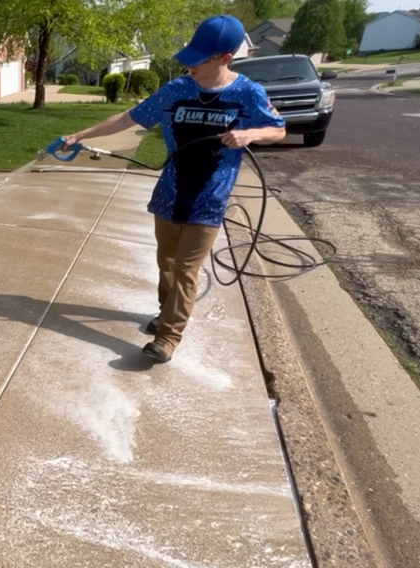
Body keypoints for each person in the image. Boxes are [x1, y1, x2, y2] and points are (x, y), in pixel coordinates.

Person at [62, 15, 286, 363]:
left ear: (224, 57)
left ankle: (168, 336)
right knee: (166, 262)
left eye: (199, 58)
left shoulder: (248, 94)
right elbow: (129, 117)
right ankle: (166, 313)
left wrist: (250, 134)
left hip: (209, 199)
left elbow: (278, 130)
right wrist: (79, 136)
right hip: (169, 192)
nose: (189, 63)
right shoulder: (177, 90)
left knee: (186, 268)